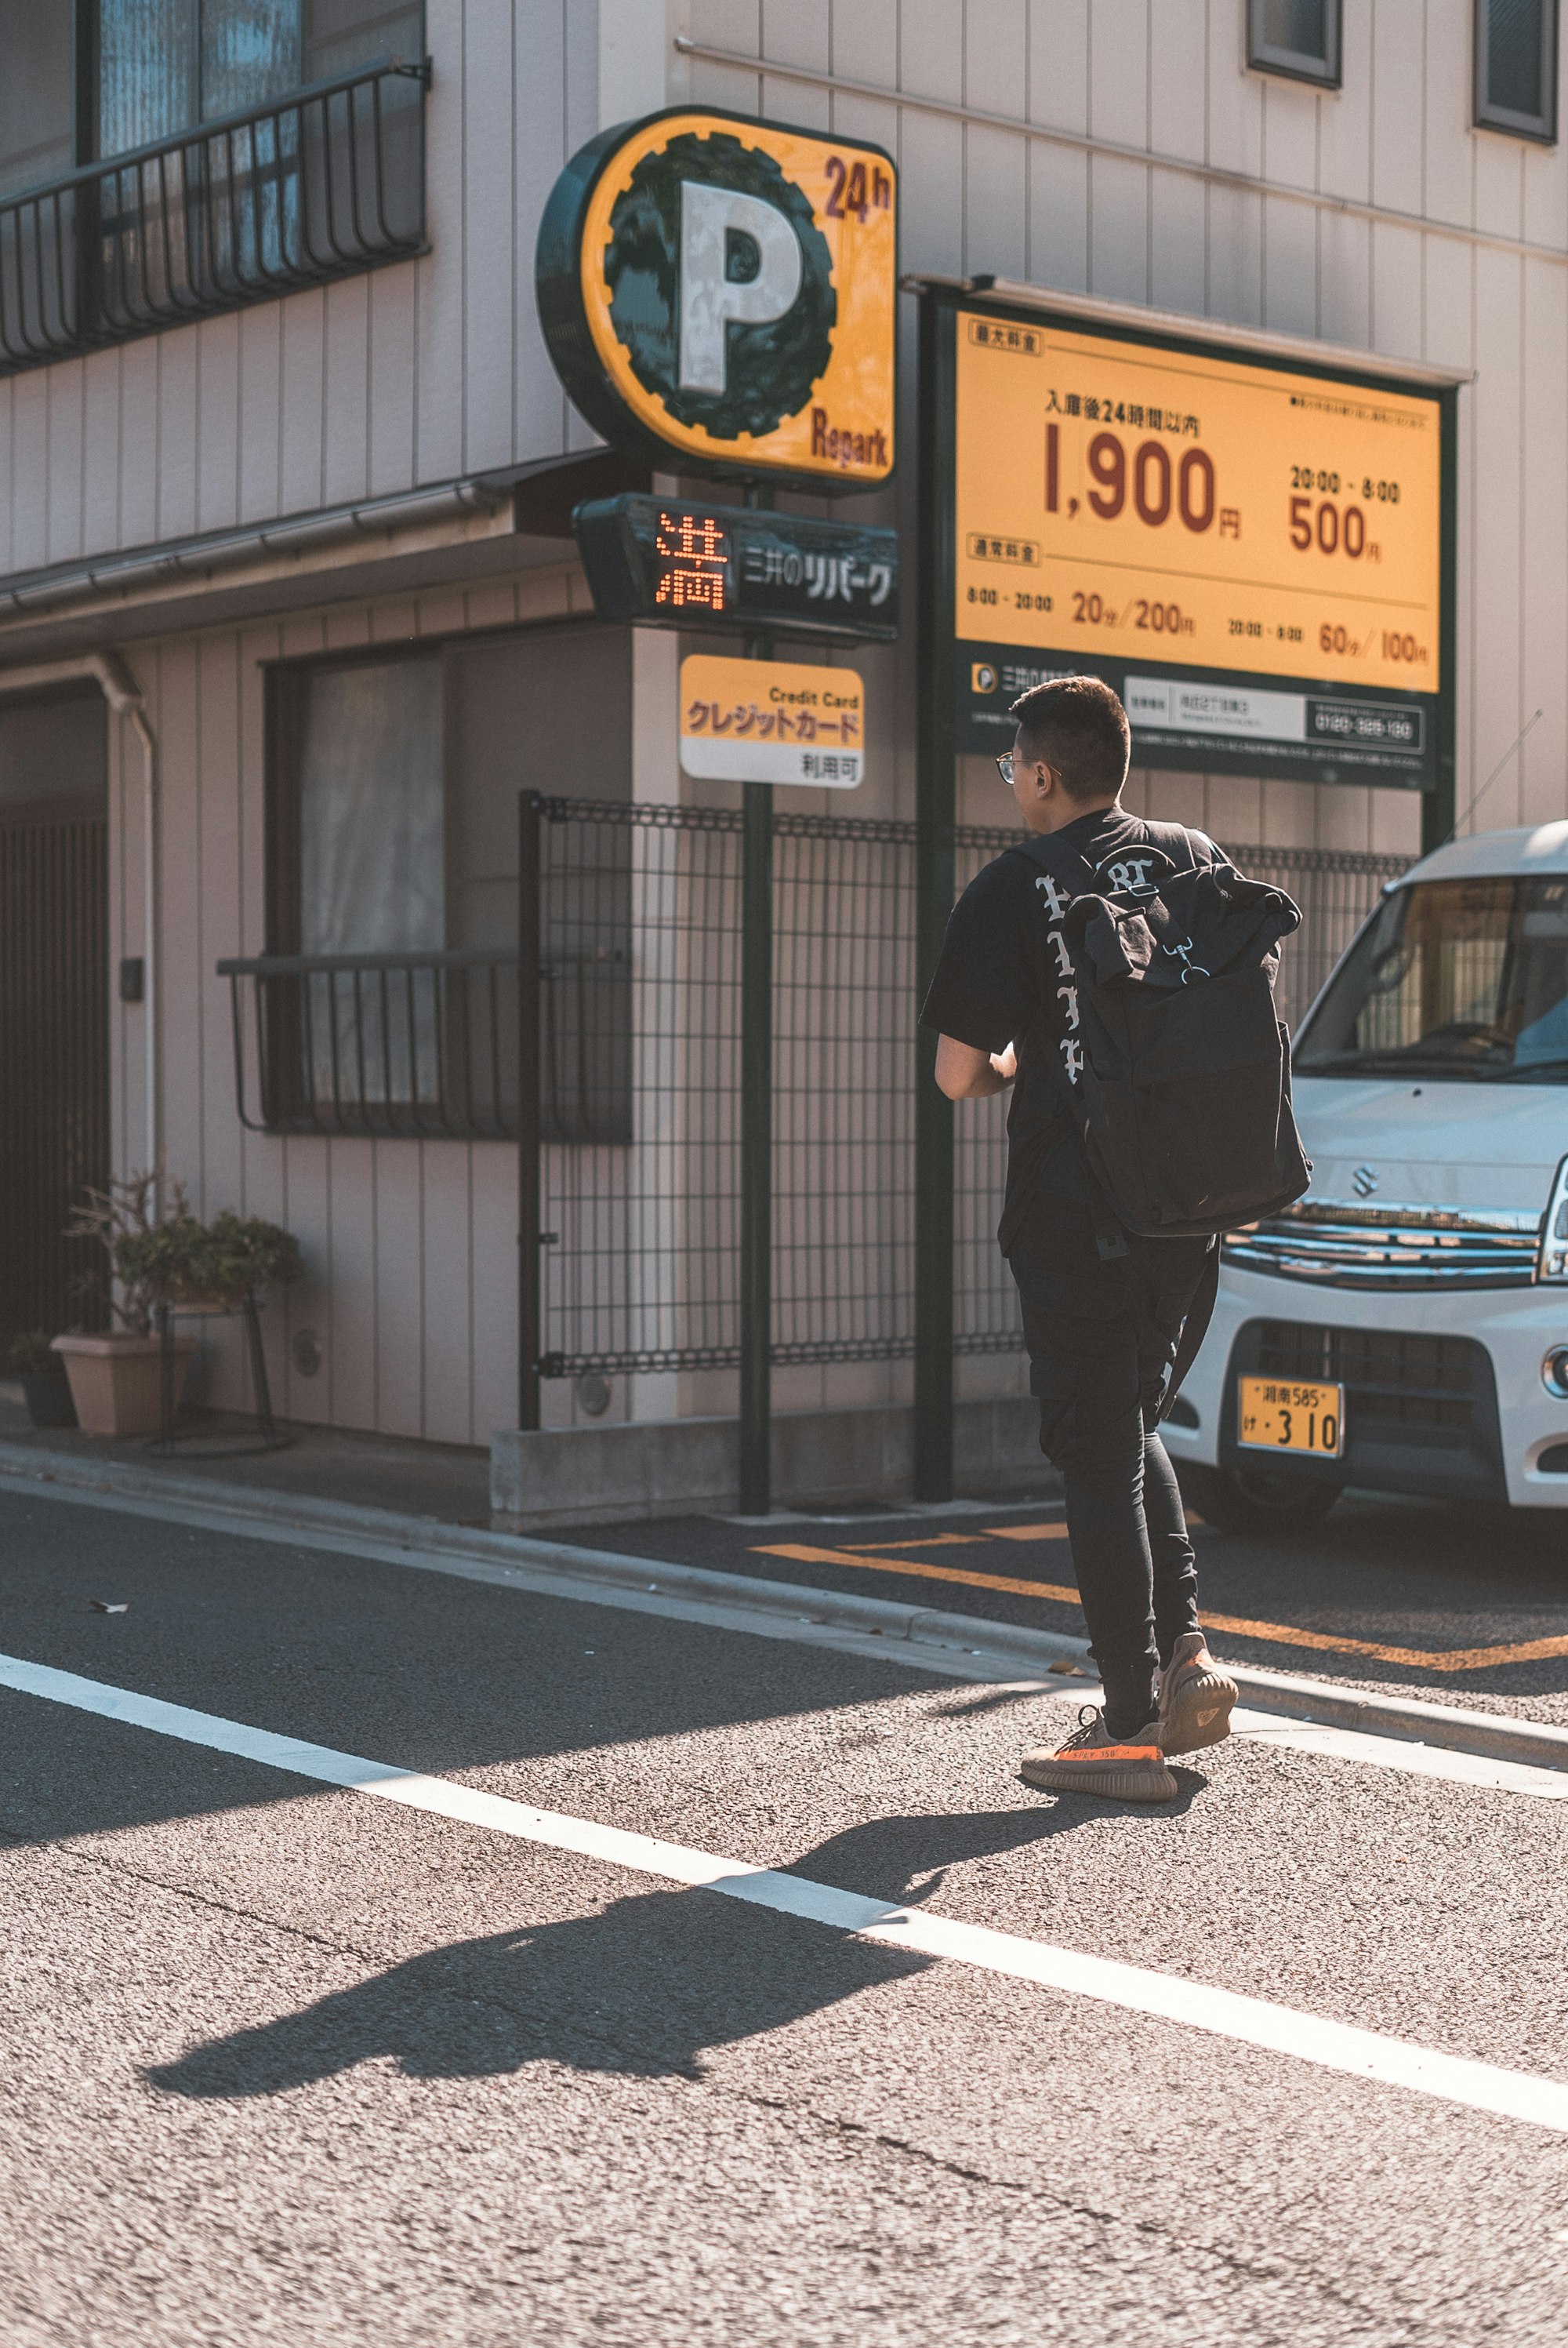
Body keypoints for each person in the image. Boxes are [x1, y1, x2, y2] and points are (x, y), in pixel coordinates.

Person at [920, 675, 1238, 1803]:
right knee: (1127, 1416)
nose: (1013, 785)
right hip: (1190, 1209)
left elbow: (959, 1070)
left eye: (1015, 769)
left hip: (1074, 1208)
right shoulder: (1194, 859)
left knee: (1093, 1447)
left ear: (1044, 773)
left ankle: (1129, 1722)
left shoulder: (1016, 886)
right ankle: (1185, 1650)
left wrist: (1017, 1062)